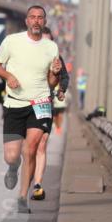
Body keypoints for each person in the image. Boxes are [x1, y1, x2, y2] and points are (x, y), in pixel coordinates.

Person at [0, 5, 61, 214]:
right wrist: (8, 76)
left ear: (44, 22)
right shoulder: (12, 41)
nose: (36, 21)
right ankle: (13, 168)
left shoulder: (51, 47)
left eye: (40, 18)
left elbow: (51, 83)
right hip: (14, 104)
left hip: (40, 103)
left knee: (30, 150)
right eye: (32, 17)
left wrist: (55, 74)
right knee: (12, 156)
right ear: (26, 21)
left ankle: (22, 198)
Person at [30, 26, 69, 201]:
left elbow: (65, 76)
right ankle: (19, 170)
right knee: (27, 147)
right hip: (25, 103)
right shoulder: (26, 54)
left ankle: (37, 185)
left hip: (45, 103)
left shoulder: (56, 57)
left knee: (42, 143)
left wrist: (61, 89)